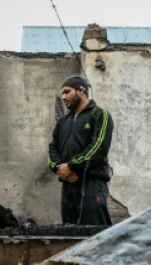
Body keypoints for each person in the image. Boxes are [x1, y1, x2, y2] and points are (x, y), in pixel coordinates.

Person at [48, 74, 114, 226]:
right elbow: (52, 148)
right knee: (69, 230)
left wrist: (71, 165)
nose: (63, 97)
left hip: (92, 182)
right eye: (62, 93)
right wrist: (60, 169)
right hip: (69, 184)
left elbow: (99, 147)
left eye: (67, 92)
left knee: (94, 230)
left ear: (81, 91)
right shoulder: (63, 121)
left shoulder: (99, 114)